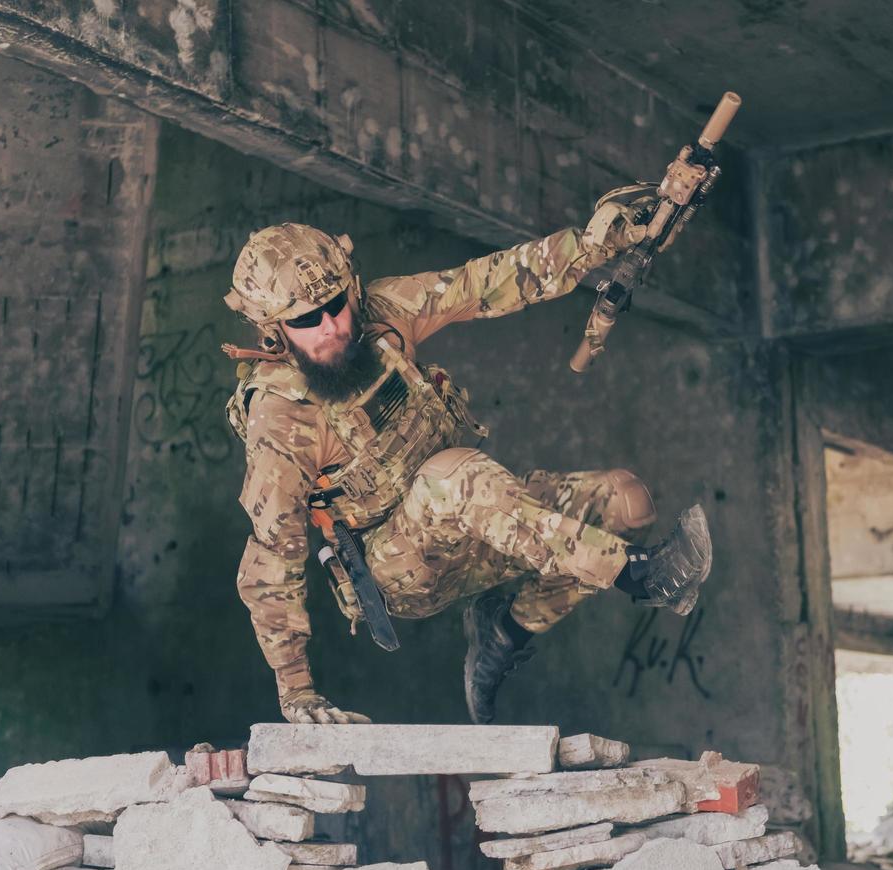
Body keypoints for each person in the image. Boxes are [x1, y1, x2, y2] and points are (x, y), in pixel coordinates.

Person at [222, 191, 712, 725]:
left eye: (336, 304)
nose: (331, 327)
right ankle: (641, 577)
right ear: (273, 332)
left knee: (625, 502)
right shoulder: (283, 417)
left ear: (353, 289)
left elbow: (486, 282)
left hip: (478, 524)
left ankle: (507, 631)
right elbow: (272, 556)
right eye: (306, 321)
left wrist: (598, 244)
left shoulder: (383, 316)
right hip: (401, 573)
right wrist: (297, 692)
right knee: (453, 476)